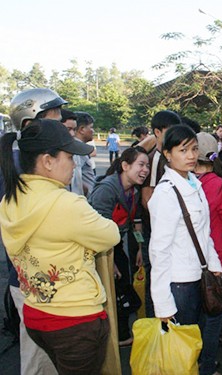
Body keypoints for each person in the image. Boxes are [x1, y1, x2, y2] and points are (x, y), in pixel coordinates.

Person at [0, 119, 120, 375]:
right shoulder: (66, 204)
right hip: (75, 320)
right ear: (47, 161)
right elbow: (111, 235)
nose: (74, 163)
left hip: (35, 311)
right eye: (69, 156)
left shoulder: (10, 198)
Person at [3, 88, 68, 375]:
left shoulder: (43, 155)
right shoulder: (20, 164)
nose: (62, 120)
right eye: (55, 117)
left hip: (50, 274)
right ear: (31, 122)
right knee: (38, 358)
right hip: (33, 277)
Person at [148, 125, 222, 327]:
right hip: (179, 283)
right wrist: (163, 304)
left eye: (194, 149)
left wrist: (214, 265)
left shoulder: (194, 183)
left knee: (194, 344)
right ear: (168, 154)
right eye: (183, 150)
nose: (191, 156)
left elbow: (204, 233)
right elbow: (159, 251)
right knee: (181, 348)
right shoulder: (165, 193)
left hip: (198, 276)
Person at [88, 146, 150, 346]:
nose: (145, 170)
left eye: (147, 166)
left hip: (115, 248)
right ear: (125, 165)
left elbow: (136, 222)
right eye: (141, 165)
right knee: (112, 293)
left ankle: (121, 335)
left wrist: (140, 248)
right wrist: (109, 261)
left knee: (122, 291)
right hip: (98, 250)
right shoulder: (107, 190)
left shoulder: (134, 191)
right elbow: (95, 228)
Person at [194, 132, 222, 375]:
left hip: (187, 263)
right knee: (213, 317)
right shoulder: (218, 184)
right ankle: (208, 366)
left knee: (194, 316)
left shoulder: (183, 182)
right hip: (216, 261)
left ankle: (194, 361)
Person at [140, 110, 182, 317]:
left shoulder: (167, 155)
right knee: (157, 278)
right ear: (157, 132)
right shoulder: (156, 158)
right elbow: (148, 199)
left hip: (165, 232)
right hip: (156, 233)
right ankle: (155, 321)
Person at [70, 112, 95, 196]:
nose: (93, 131)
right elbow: (75, 180)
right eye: (91, 127)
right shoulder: (76, 151)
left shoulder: (81, 149)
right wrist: (86, 191)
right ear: (82, 129)